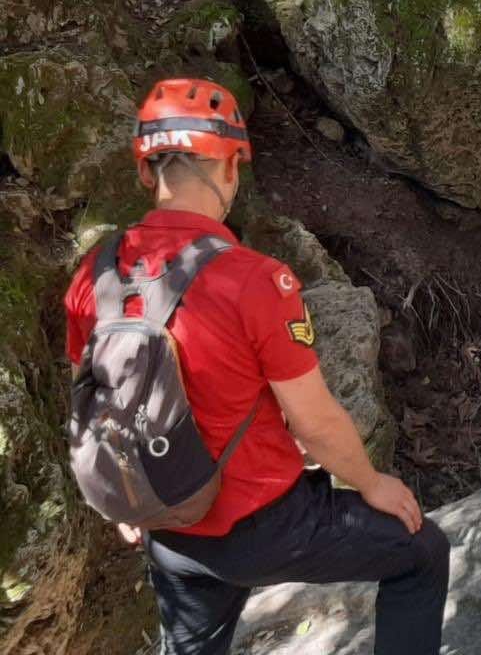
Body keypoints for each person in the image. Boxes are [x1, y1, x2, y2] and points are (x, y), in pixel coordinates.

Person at [64, 79, 450, 655]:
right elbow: (313, 420)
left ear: (147, 175)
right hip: (268, 526)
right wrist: (372, 483)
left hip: (169, 528)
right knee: (423, 554)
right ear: (229, 170)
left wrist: (127, 499)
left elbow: (91, 403)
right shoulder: (256, 281)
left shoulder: (96, 275)